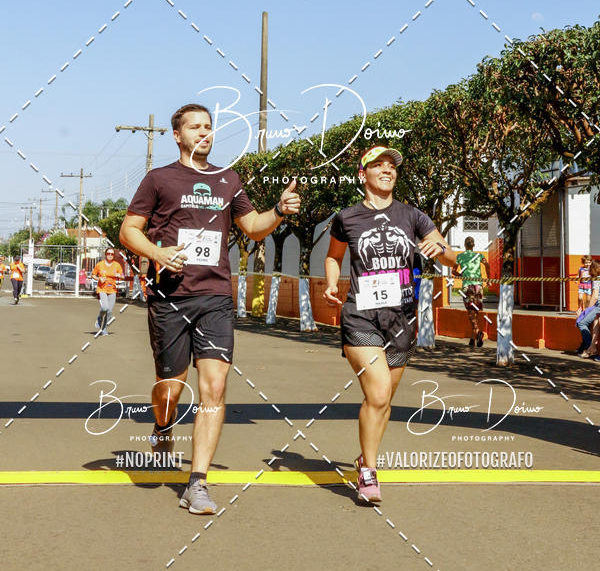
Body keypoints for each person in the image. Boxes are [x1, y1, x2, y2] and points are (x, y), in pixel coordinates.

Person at [119, 103, 300, 516]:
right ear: (178, 136)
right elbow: (129, 229)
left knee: (214, 387)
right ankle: (163, 426)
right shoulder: (158, 179)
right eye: (194, 127)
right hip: (171, 297)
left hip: (216, 295)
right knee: (170, 387)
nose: (204, 132)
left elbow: (252, 226)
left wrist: (278, 210)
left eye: (209, 126)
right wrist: (157, 253)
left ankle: (197, 482)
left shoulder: (227, 179)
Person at [324, 146, 458, 504]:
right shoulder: (346, 218)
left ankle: (363, 458)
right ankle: (369, 471)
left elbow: (451, 258)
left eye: (391, 166)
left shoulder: (414, 216)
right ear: (362, 174)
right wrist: (331, 283)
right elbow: (334, 256)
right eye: (378, 166)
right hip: (360, 314)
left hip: (401, 319)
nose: (387, 171)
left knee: (382, 401)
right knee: (379, 391)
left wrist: (439, 248)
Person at [454, 236, 491, 348]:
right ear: (473, 245)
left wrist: (462, 275)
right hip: (478, 287)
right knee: (476, 312)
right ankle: (473, 337)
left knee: (471, 313)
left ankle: (478, 332)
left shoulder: (459, 256)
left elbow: (454, 271)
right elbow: (487, 265)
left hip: (468, 287)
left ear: (465, 245)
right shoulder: (479, 255)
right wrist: (488, 279)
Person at [92, 248, 124, 335]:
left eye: (112, 254)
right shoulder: (100, 265)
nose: (110, 255)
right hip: (102, 289)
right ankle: (99, 318)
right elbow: (93, 275)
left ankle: (104, 328)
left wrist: (119, 276)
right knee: (105, 308)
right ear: (105, 254)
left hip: (112, 290)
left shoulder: (117, 265)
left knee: (109, 311)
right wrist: (99, 278)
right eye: (108, 253)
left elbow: (122, 276)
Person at [576, 259, 600, 355]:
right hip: (597, 307)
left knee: (581, 322)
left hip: (598, 306)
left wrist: (586, 311)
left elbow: (594, 296)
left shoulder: (597, 279)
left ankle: (589, 346)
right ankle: (590, 346)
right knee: (593, 322)